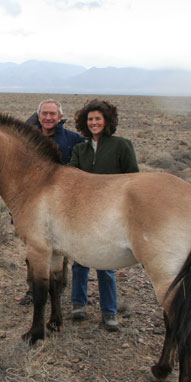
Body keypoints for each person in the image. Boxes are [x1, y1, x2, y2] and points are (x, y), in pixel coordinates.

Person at [68, 99, 139, 331]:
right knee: (79, 259)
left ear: (106, 121)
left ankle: (109, 312)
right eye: (90, 119)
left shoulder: (122, 145)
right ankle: (78, 304)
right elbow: (72, 180)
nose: (94, 122)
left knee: (105, 264)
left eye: (98, 118)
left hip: (111, 215)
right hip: (83, 213)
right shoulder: (80, 148)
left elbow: (133, 180)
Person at [19, 99, 85, 305]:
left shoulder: (72, 139)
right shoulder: (27, 139)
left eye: (53, 114)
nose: (48, 118)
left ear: (60, 117)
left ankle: (58, 290)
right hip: (32, 204)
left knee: (61, 252)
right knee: (33, 249)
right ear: (38, 116)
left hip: (63, 206)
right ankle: (33, 289)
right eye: (44, 114)